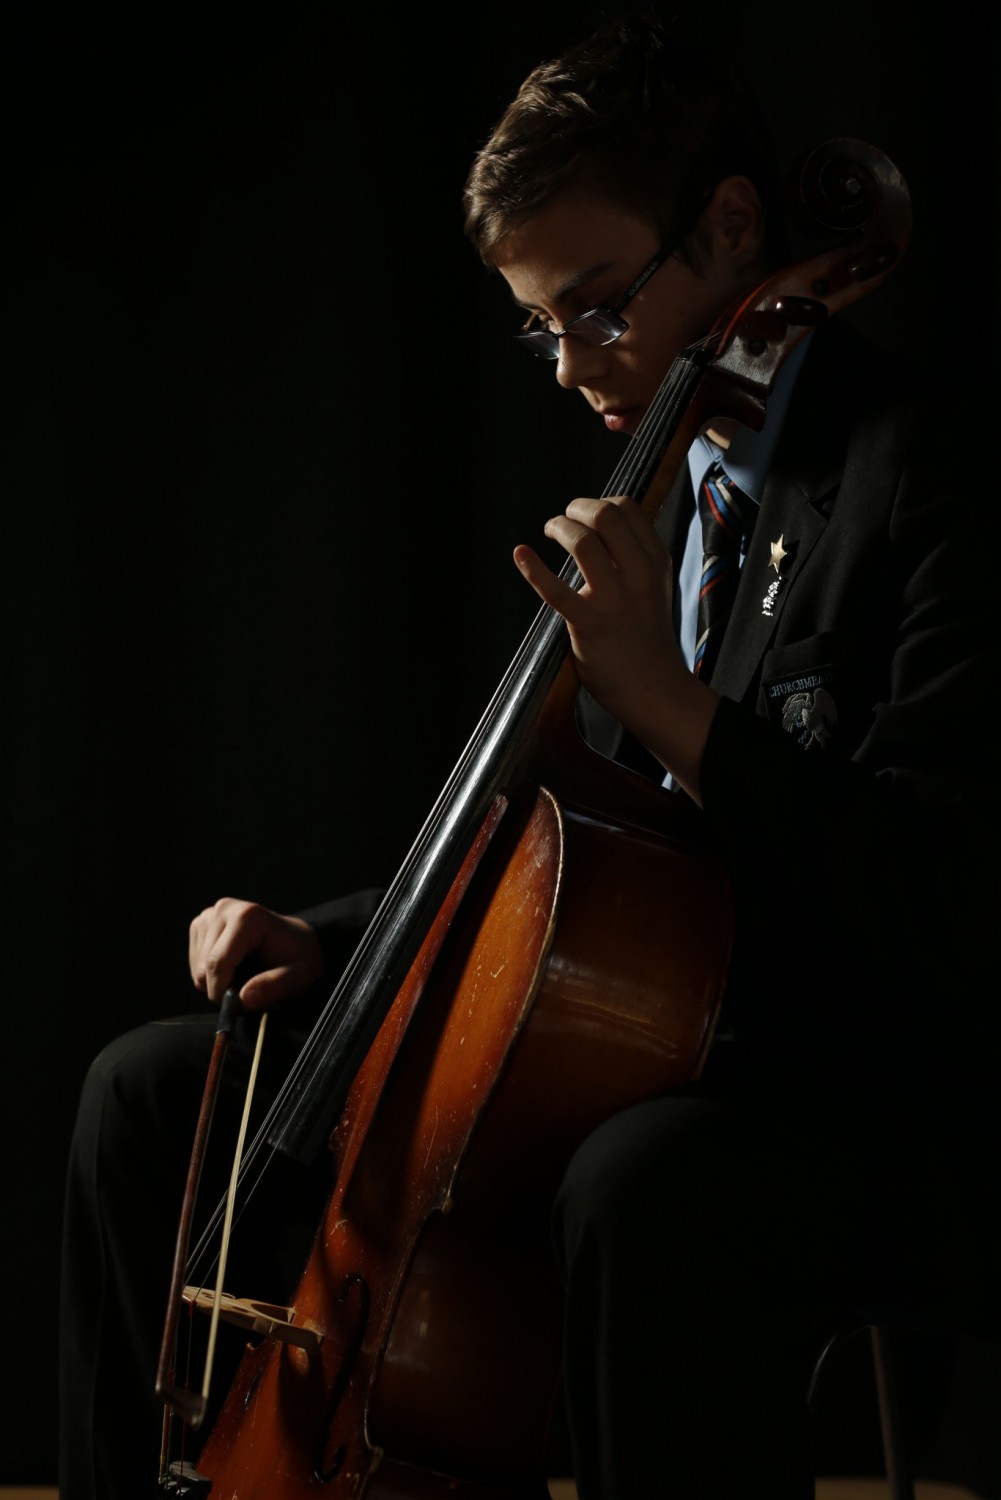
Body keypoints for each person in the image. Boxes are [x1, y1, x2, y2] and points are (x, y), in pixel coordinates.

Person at [59, 6, 995, 1499]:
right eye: (540, 325)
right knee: (156, 1088)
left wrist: (667, 701)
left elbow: (940, 888)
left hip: (864, 1082)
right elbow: (569, 855)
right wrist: (332, 939)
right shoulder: (662, 486)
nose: (567, 369)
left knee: (639, 1184)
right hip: (633, 1042)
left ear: (734, 227)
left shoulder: (927, 470)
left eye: (598, 309)